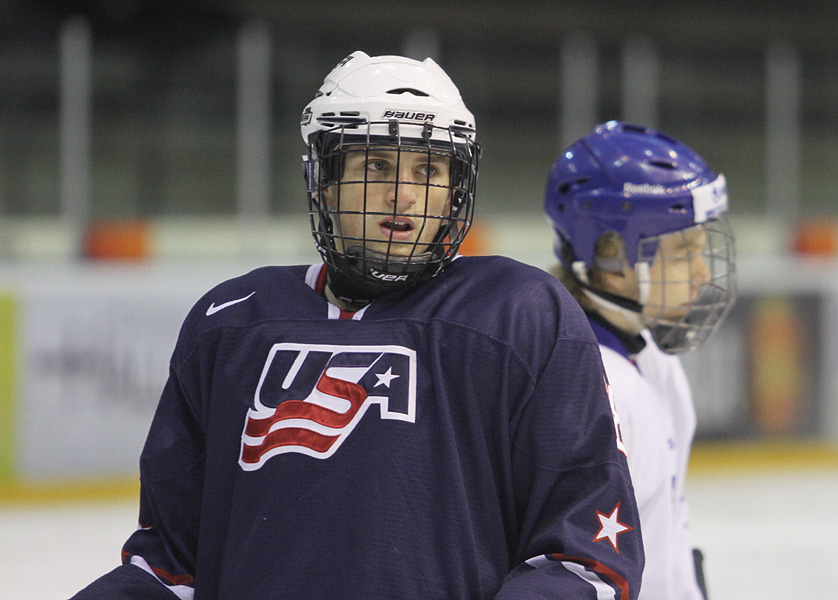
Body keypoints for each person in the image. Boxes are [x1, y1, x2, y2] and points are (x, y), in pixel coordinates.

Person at [72, 52, 644, 600]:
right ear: (324, 180)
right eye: (376, 164)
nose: (404, 194)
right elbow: (173, 564)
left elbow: (585, 556)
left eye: (430, 169)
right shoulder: (232, 321)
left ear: (455, 191)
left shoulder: (519, 314)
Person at [544, 121, 737, 600]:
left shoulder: (650, 355)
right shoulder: (587, 387)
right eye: (681, 252)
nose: (702, 273)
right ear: (610, 259)